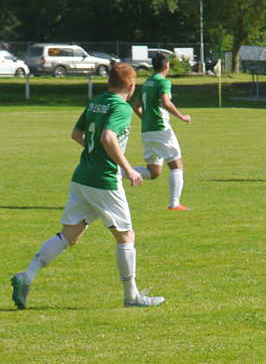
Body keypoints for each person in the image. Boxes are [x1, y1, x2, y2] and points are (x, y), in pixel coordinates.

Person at [11, 64, 164, 309]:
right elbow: (107, 137)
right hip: (104, 180)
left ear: (108, 82)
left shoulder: (97, 101)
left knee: (69, 235)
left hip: (82, 177)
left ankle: (27, 275)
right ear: (132, 86)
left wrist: (93, 154)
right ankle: (132, 296)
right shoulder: (121, 107)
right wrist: (128, 168)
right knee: (125, 235)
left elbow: (76, 133)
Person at [132, 53, 192, 210]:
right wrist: (182, 117)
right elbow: (166, 102)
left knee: (154, 172)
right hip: (160, 129)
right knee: (176, 164)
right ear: (167, 65)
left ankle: (117, 171)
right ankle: (174, 204)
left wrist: (146, 119)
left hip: (147, 130)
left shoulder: (147, 82)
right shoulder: (163, 82)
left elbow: (135, 106)